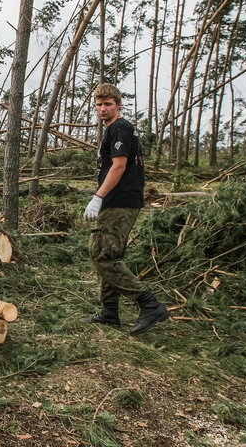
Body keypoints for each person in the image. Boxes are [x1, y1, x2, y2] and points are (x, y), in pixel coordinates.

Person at [83, 83, 168, 336]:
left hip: (121, 201)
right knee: (99, 251)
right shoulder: (112, 130)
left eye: (108, 104)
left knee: (106, 256)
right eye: (99, 104)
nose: (103, 109)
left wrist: (98, 196)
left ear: (118, 105)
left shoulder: (120, 127)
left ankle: (149, 304)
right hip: (114, 200)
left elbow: (119, 167)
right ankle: (110, 312)